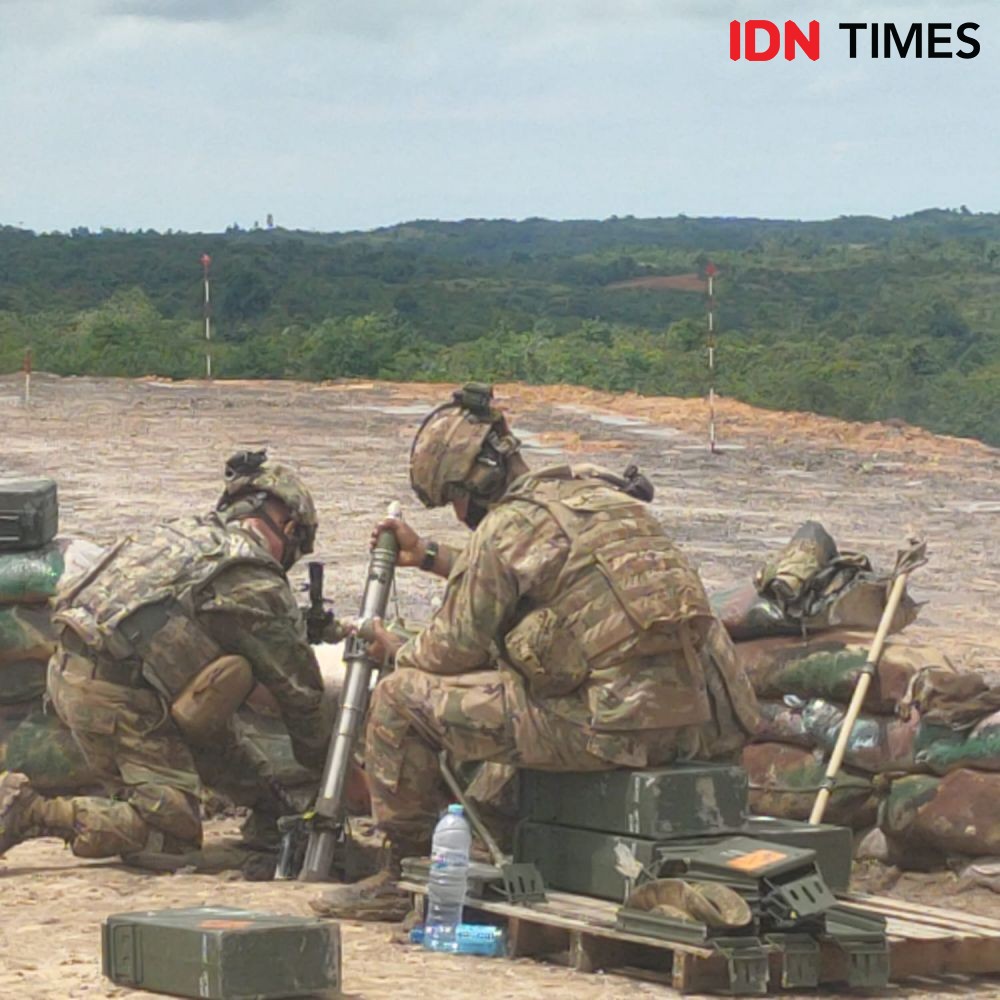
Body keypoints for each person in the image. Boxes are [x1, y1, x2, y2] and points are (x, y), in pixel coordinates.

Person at [313, 384, 760, 920]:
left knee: (398, 699)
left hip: (609, 728)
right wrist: (428, 556)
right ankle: (492, 836)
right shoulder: (600, 498)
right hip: (692, 725)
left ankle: (407, 877)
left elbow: (448, 651)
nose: (457, 515)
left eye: (453, 499)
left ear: (475, 480)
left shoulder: (504, 528)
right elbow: (541, 574)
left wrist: (395, 648)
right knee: (516, 692)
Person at [0, 451, 332, 865]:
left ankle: (270, 813)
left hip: (74, 674)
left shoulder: (179, 535)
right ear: (288, 526)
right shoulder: (253, 576)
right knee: (170, 833)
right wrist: (333, 773)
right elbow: (302, 699)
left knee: (215, 699)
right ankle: (33, 812)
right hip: (116, 698)